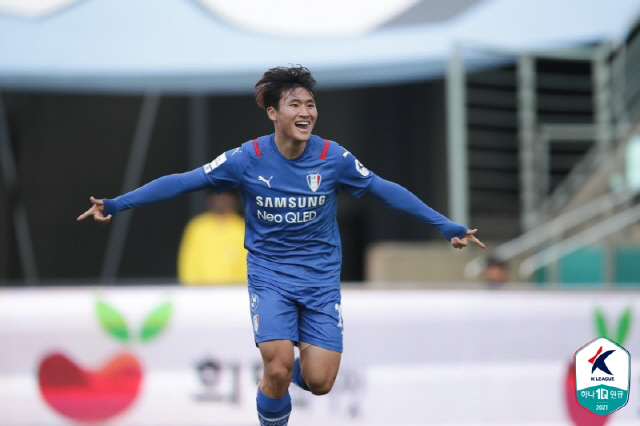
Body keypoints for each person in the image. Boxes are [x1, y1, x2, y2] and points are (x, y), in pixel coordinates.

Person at [77, 65, 485, 426]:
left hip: (320, 281)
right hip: (270, 276)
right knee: (277, 366)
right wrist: (116, 203)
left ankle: (282, 375)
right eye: (294, 105)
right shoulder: (247, 158)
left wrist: (444, 225)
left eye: (310, 104)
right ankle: (275, 387)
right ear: (273, 113)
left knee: (321, 381)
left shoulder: (333, 157)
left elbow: (384, 189)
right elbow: (184, 181)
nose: (305, 112)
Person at [177, 191, 247, 285]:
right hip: (200, 289)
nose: (221, 201)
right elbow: (188, 261)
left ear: (235, 201)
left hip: (234, 289)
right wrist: (190, 287)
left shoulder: (243, 228)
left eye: (226, 197)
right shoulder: (197, 227)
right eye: (217, 196)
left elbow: (249, 263)